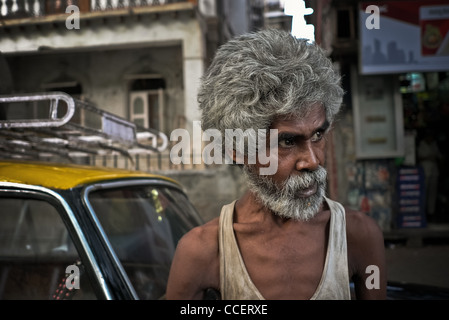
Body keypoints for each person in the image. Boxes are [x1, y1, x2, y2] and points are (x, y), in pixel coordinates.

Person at [166, 29, 386, 300]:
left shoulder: (359, 236)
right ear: (238, 151)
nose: (313, 161)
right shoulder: (202, 251)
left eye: (318, 135)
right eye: (287, 142)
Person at [418, 130, 442, 221]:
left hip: (434, 171)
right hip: (425, 170)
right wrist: (430, 157)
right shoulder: (422, 144)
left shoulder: (434, 144)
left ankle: (431, 212)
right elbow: (419, 157)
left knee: (432, 192)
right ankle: (422, 212)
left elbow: (439, 156)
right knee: (424, 192)